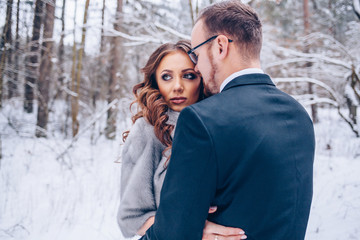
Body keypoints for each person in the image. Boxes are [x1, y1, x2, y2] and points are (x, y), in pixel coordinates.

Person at [140, 1, 315, 240]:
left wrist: (186, 228)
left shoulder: (201, 120)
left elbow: (171, 233)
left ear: (220, 46)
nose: (197, 67)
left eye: (196, 53)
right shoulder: (298, 114)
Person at [118, 40, 247, 240]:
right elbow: (132, 217)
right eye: (166, 77)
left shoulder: (223, 124)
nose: (177, 87)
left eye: (188, 76)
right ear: (155, 82)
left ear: (202, 78)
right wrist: (189, 228)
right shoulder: (147, 130)